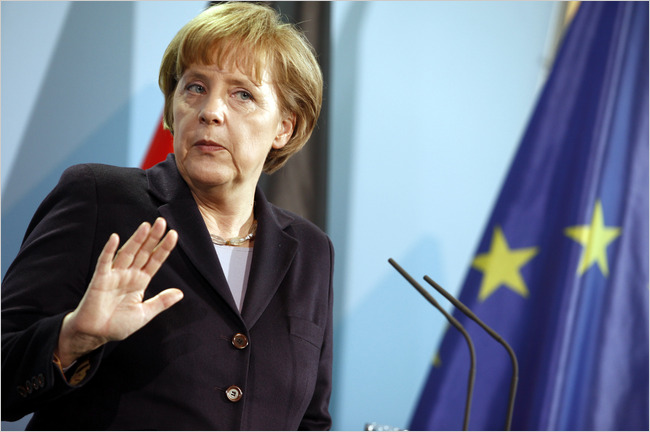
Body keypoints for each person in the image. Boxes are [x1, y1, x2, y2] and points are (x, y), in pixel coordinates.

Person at [1, 2, 333, 430]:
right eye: (195, 87)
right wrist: (73, 339)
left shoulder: (309, 250)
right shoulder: (102, 200)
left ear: (285, 127)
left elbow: (310, 420)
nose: (210, 110)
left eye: (242, 94)